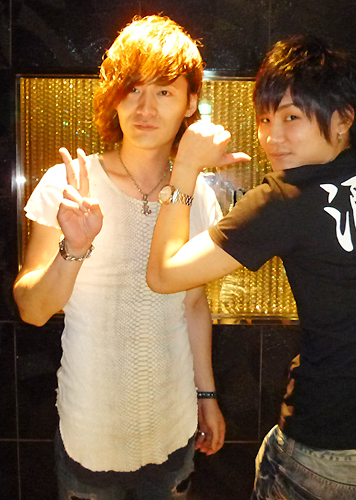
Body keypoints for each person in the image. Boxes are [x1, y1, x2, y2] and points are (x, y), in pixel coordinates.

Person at [146, 35, 356, 499]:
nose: (273, 137)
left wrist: (185, 168)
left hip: (327, 448)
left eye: (292, 117)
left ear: (341, 118)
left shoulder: (282, 201)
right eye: (265, 119)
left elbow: (163, 275)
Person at [13, 15, 227, 500]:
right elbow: (32, 310)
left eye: (164, 91)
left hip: (173, 427)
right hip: (89, 432)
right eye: (132, 89)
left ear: (191, 101)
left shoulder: (197, 195)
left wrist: (206, 395)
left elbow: (194, 304)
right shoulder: (70, 183)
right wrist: (74, 249)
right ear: (114, 96)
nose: (145, 108)